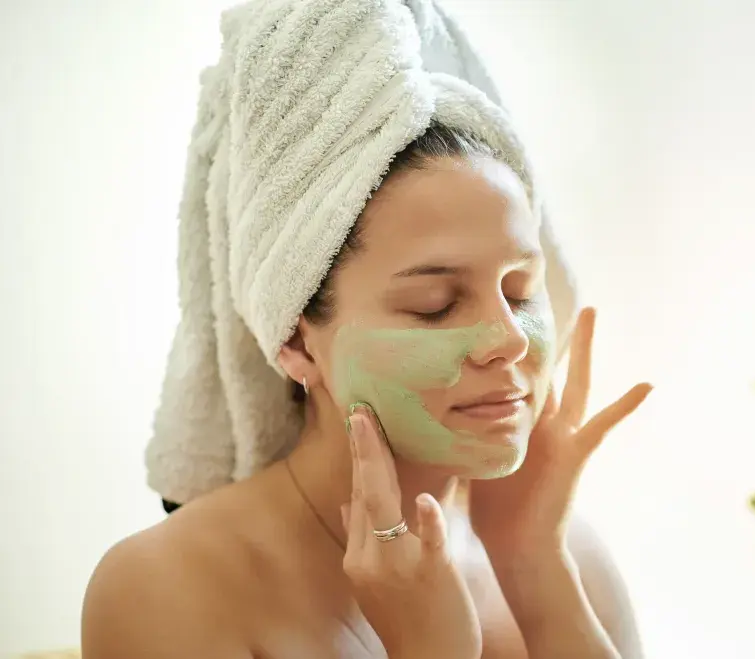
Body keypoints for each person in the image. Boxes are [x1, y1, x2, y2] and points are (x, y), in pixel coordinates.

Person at [81, 2, 652, 659]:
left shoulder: (566, 551)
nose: (510, 338)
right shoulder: (169, 588)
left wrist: (534, 570)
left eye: (521, 291)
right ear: (294, 342)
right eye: (435, 304)